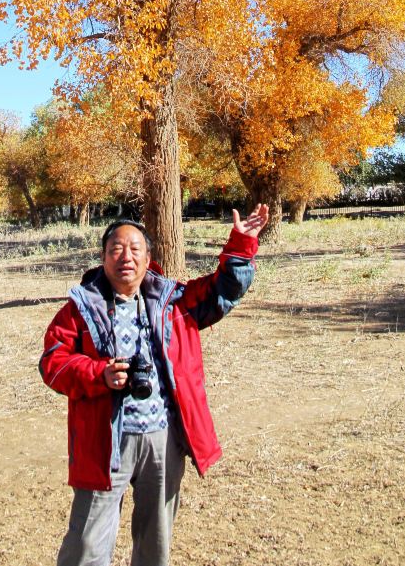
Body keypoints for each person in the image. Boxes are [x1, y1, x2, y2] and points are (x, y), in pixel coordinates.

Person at [39, 204, 269, 566]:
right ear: (102, 258)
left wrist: (242, 244)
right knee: (86, 545)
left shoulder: (174, 302)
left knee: (155, 541)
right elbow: (53, 362)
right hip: (103, 441)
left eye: (134, 249)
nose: (125, 257)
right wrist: (98, 374)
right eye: (116, 249)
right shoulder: (80, 308)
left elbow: (222, 291)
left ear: (149, 258)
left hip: (162, 438)